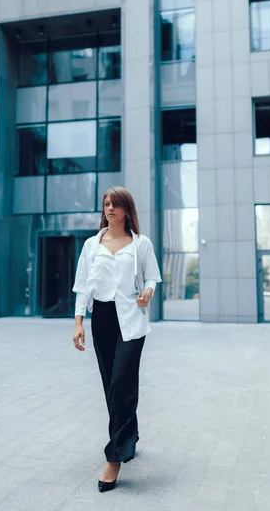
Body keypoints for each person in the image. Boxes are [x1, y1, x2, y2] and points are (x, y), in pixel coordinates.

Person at [72, 186, 161, 493]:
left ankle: (114, 458)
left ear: (126, 210)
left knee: (122, 382)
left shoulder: (140, 244)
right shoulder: (91, 245)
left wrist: (148, 292)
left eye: (116, 204)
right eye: (106, 204)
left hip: (132, 320)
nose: (110, 208)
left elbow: (151, 277)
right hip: (103, 321)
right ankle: (129, 436)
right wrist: (79, 322)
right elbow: (83, 286)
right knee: (112, 384)